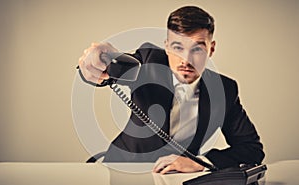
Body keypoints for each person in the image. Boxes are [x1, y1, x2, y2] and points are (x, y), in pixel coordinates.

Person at [77, 6, 265, 174]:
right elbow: (104, 73)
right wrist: (99, 62)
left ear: (211, 49)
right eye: (177, 47)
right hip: (124, 170)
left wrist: (202, 163)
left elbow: (251, 148)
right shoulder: (148, 61)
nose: (186, 60)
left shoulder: (225, 89)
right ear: (166, 46)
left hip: (177, 180)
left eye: (197, 49)